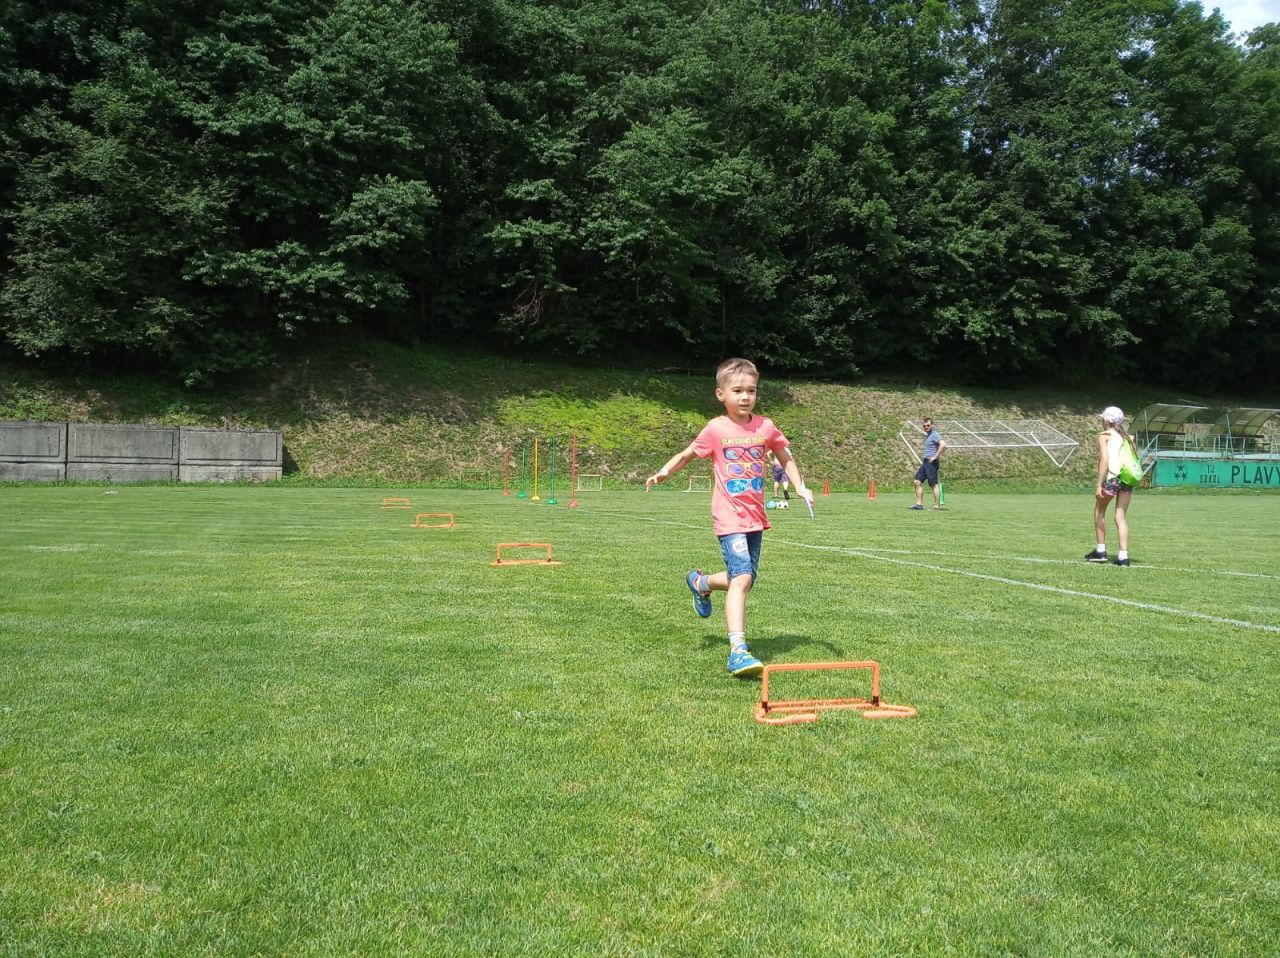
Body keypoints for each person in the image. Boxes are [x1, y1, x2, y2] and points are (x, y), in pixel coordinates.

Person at [645, 358, 814, 677]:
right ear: (721, 394)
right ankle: (738, 650)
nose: (745, 396)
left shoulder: (766, 427)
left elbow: (785, 457)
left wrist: (800, 487)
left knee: (745, 578)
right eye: (737, 390)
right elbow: (687, 454)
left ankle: (701, 583)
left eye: (751, 390)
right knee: (743, 578)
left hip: (755, 517)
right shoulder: (716, 429)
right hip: (728, 516)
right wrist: (664, 472)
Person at [1085, 406, 1138, 567]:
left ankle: (1101, 550)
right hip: (1127, 479)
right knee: (1120, 517)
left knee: (1099, 511)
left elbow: (1104, 460)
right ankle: (1123, 556)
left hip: (1112, 478)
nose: (1101, 421)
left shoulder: (1105, 436)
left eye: (1103, 419)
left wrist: (1098, 484)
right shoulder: (1129, 437)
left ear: (1107, 420)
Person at [910, 417, 946, 510]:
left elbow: (943, 444)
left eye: (928, 425)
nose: (926, 427)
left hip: (931, 463)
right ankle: (919, 505)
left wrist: (935, 456)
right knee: (917, 481)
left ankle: (937, 506)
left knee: (933, 484)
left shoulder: (935, 435)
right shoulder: (929, 435)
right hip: (926, 462)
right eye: (924, 426)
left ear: (932, 425)